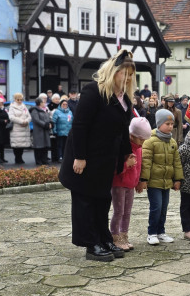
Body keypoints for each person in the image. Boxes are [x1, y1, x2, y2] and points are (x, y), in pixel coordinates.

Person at [58, 49, 136, 262]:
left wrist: (126, 154)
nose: (128, 78)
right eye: (124, 73)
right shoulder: (94, 91)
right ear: (113, 72)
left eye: (131, 74)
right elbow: (80, 125)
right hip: (85, 158)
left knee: (102, 200)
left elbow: (122, 131)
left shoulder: (124, 100)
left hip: (105, 160)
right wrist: (80, 156)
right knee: (85, 201)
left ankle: (103, 237)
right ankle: (91, 244)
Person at [140, 109, 184, 245]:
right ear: (159, 124)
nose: (170, 126)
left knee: (164, 208)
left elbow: (177, 162)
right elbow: (146, 162)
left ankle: (161, 231)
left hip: (166, 182)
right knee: (156, 207)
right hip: (154, 182)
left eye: (172, 124)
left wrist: (177, 179)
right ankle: (152, 233)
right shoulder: (150, 141)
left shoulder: (172, 142)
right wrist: (144, 180)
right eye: (167, 123)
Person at [111, 117, 151, 251]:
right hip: (119, 183)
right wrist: (125, 165)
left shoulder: (139, 148)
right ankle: (115, 236)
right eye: (141, 139)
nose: (143, 142)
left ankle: (124, 235)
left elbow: (139, 166)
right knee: (119, 211)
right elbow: (114, 167)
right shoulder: (124, 146)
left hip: (130, 184)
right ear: (132, 135)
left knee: (127, 212)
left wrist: (139, 181)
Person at [8, 93, 32, 164]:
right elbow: (11, 117)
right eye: (18, 100)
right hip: (16, 128)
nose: (20, 101)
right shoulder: (12, 107)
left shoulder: (24, 106)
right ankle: (17, 158)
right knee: (16, 144)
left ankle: (20, 157)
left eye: (21, 99)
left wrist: (26, 121)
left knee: (22, 144)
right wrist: (21, 121)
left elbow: (29, 116)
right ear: (15, 99)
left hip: (24, 127)